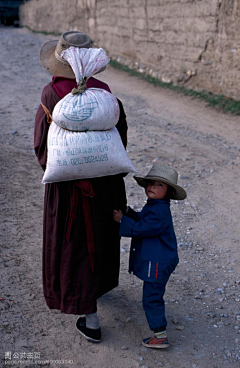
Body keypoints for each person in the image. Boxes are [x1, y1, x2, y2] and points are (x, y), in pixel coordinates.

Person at [34, 31, 128, 343]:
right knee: (100, 236)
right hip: (107, 184)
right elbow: (120, 140)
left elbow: (42, 148)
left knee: (74, 243)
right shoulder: (106, 93)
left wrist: (70, 167)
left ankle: (91, 319)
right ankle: (99, 289)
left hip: (69, 189)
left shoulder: (52, 95)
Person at [113, 163, 187, 348]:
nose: (152, 187)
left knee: (151, 298)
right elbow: (144, 219)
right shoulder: (155, 205)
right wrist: (130, 214)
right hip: (158, 260)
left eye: (159, 185)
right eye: (150, 183)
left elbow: (143, 228)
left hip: (158, 263)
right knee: (152, 294)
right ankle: (159, 330)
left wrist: (123, 220)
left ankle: (160, 335)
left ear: (169, 192)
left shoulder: (160, 212)